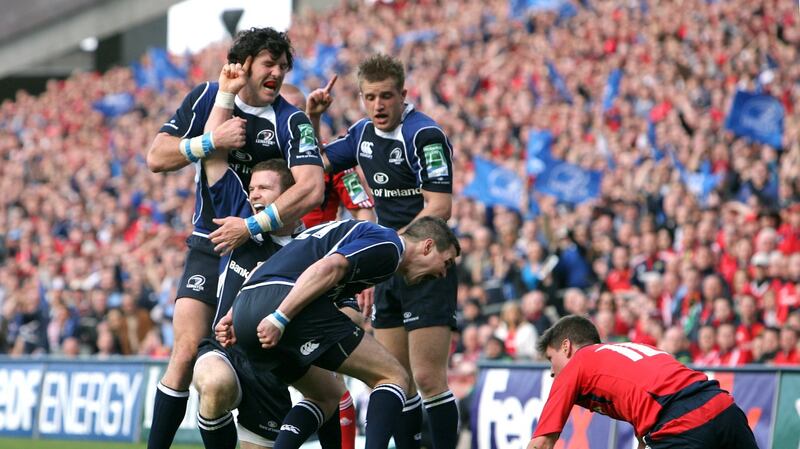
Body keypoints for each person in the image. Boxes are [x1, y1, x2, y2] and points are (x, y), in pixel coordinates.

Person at [144, 27, 325, 449]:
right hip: (211, 241)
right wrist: (209, 141)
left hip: (267, 248)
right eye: (269, 63)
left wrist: (253, 226)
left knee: (267, 360)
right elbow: (156, 157)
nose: (277, 73)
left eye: (283, 66)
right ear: (242, 66)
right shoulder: (206, 96)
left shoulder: (290, 120)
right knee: (186, 351)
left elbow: (312, 188)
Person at [217, 216, 460, 449]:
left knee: (325, 396)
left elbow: (266, 265)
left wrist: (232, 315)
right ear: (427, 246)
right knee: (393, 375)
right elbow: (330, 266)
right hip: (282, 306)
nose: (443, 274)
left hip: (247, 308)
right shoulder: (390, 246)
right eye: (446, 262)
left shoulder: (351, 235)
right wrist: (280, 316)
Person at [315, 53, 459, 449]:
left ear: (404, 95)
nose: (378, 105)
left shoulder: (423, 135)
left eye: (386, 96)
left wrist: (385, 246)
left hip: (427, 266)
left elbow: (439, 209)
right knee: (396, 377)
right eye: (370, 97)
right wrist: (313, 119)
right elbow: (316, 164)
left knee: (429, 379)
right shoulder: (361, 134)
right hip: (389, 268)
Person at [282, 82, 372, 449]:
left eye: (294, 112)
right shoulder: (258, 165)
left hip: (326, 279)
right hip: (275, 279)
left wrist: (366, 269)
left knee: (329, 380)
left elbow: (363, 212)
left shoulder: (332, 163)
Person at [527, 315, 759, 449]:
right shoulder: (631, 350)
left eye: (551, 358)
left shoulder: (577, 363)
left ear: (566, 347)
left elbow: (542, 443)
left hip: (681, 423)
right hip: (724, 407)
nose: (551, 371)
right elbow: (644, 434)